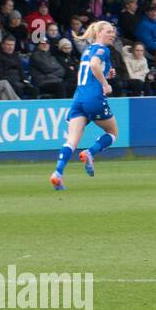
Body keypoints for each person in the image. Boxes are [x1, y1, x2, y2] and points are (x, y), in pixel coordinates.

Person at [49, 21, 121, 190]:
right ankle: (90, 152)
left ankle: (58, 173)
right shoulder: (103, 49)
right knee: (112, 132)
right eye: (109, 31)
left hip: (78, 99)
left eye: (113, 31)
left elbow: (93, 69)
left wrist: (107, 73)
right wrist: (105, 84)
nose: (113, 34)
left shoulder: (87, 49)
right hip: (94, 98)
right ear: (99, 33)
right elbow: (94, 65)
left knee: (72, 140)